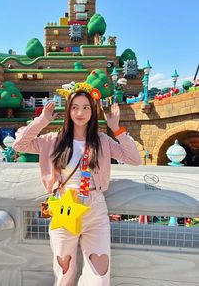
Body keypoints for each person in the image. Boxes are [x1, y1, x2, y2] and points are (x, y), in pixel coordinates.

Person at [12, 90, 141, 286]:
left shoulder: (102, 141)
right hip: (65, 207)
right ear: (68, 111)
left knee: (99, 277)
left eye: (85, 107)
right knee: (64, 274)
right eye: (75, 107)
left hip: (95, 209)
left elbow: (134, 159)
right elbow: (19, 145)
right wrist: (42, 120)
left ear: (93, 112)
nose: (80, 112)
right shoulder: (53, 140)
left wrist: (116, 129)